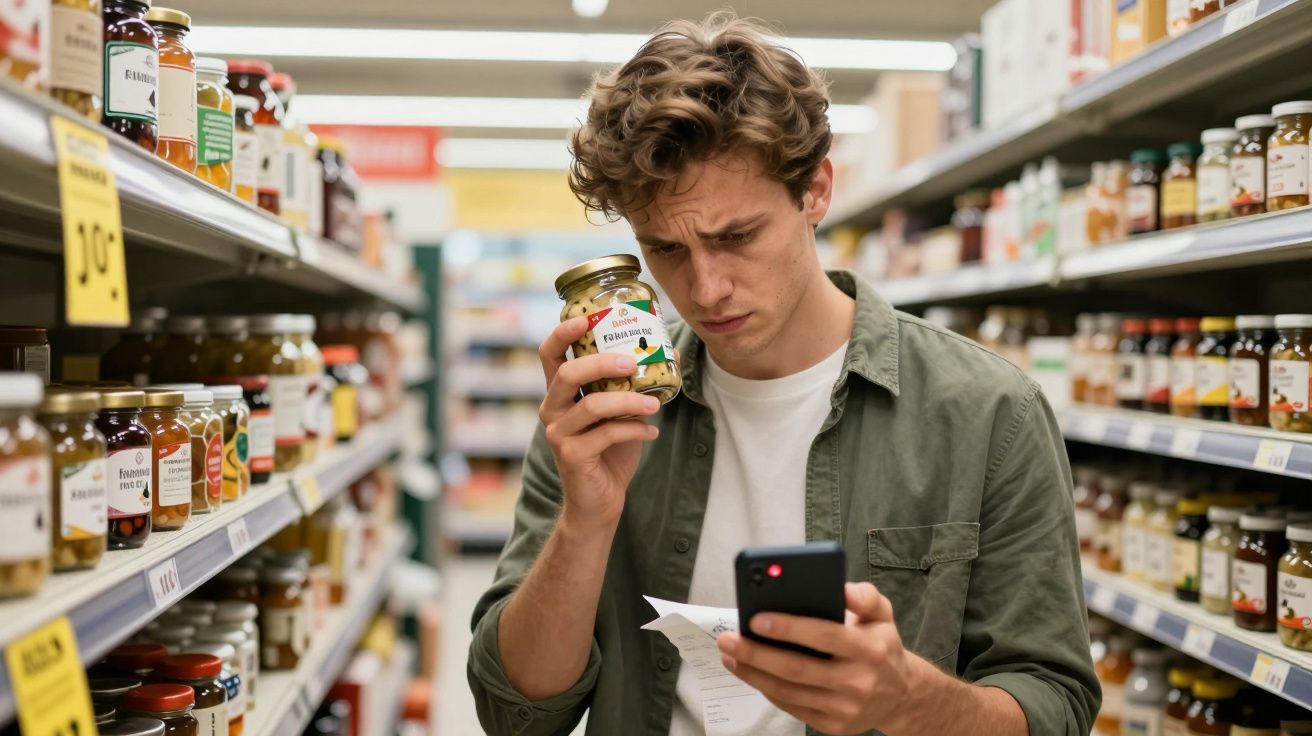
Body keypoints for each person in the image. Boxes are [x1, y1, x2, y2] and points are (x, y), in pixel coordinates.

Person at [468, 13, 1099, 736]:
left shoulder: (989, 412)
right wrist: (587, 519)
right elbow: (515, 714)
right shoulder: (600, 410)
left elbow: (1057, 707)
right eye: (665, 249)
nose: (705, 290)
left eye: (736, 237)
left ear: (816, 190)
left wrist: (910, 699)